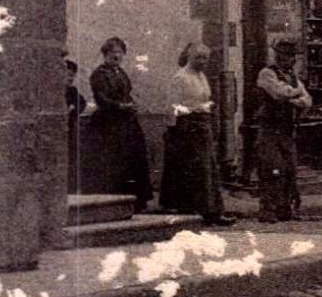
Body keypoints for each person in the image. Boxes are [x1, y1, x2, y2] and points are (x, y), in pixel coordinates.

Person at [160, 42, 236, 226]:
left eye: (205, 58)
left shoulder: (201, 76)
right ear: (189, 57)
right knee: (196, 170)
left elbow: (204, 98)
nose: (202, 62)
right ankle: (200, 211)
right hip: (187, 127)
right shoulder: (180, 77)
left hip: (203, 125)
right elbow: (173, 107)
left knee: (209, 168)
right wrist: (183, 123)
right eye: (198, 58)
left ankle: (213, 211)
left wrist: (206, 107)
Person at [84, 36, 153, 210]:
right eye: (113, 52)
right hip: (109, 124)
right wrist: (121, 106)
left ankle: (135, 200)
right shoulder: (99, 75)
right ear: (105, 54)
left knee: (134, 159)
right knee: (114, 161)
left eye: (120, 52)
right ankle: (114, 201)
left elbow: (127, 93)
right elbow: (102, 99)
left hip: (127, 123)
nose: (117, 56)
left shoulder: (121, 72)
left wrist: (132, 103)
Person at [253, 38, 311, 223]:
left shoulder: (292, 76)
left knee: (289, 170)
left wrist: (293, 97)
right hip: (269, 129)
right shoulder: (267, 73)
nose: (288, 58)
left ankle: (285, 209)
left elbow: (308, 100)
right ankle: (267, 210)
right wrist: (295, 95)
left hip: (287, 129)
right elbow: (279, 93)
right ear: (277, 55)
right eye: (284, 55)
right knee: (272, 169)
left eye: (291, 55)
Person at [65, 58, 86, 191]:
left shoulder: (72, 92)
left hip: (69, 130)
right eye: (68, 74)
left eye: (72, 75)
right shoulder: (51, 92)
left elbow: (81, 103)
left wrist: (73, 109)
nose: (70, 78)